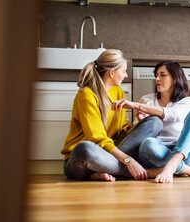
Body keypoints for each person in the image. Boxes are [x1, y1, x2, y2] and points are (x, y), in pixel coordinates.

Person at [112, 61, 190, 183]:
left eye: (163, 75)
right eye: (156, 75)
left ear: (175, 78)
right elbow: (137, 133)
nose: (157, 78)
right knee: (148, 143)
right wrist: (140, 121)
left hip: (183, 154)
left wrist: (136, 105)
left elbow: (172, 114)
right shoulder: (147, 99)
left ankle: (168, 167)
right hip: (156, 153)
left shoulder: (187, 101)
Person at [61, 49, 162, 182]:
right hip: (82, 159)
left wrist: (137, 122)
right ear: (112, 72)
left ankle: (102, 171)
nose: (125, 75)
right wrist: (128, 160)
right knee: (84, 148)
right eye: (123, 71)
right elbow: (97, 139)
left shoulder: (118, 92)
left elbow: (122, 133)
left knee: (155, 122)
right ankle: (146, 172)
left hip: (109, 154)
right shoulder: (86, 95)